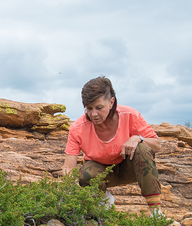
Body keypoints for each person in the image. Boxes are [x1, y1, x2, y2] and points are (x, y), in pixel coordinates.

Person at [61, 76, 163, 213]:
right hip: (102, 174)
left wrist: (137, 138)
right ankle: (104, 202)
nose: (94, 114)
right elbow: (69, 168)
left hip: (130, 168)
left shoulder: (130, 115)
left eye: (99, 107)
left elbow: (157, 145)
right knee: (85, 173)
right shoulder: (78, 128)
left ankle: (156, 213)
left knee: (142, 148)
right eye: (89, 108)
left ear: (111, 102)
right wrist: (67, 195)